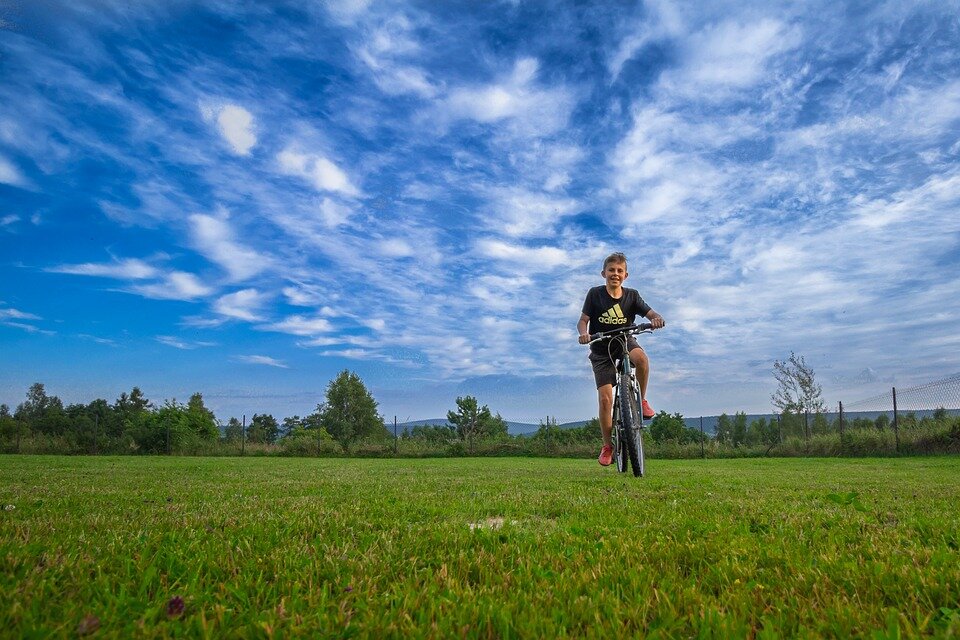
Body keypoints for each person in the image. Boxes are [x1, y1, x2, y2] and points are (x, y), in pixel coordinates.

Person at [577, 252, 665, 466]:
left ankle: (640, 401)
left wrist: (656, 319)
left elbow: (650, 313)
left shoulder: (632, 296)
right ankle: (608, 446)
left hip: (624, 340)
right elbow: (583, 320)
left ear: (625, 275)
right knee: (606, 398)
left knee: (642, 359)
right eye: (611, 270)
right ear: (603, 273)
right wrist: (583, 334)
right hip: (600, 346)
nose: (615, 274)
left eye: (619, 271)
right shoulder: (595, 294)